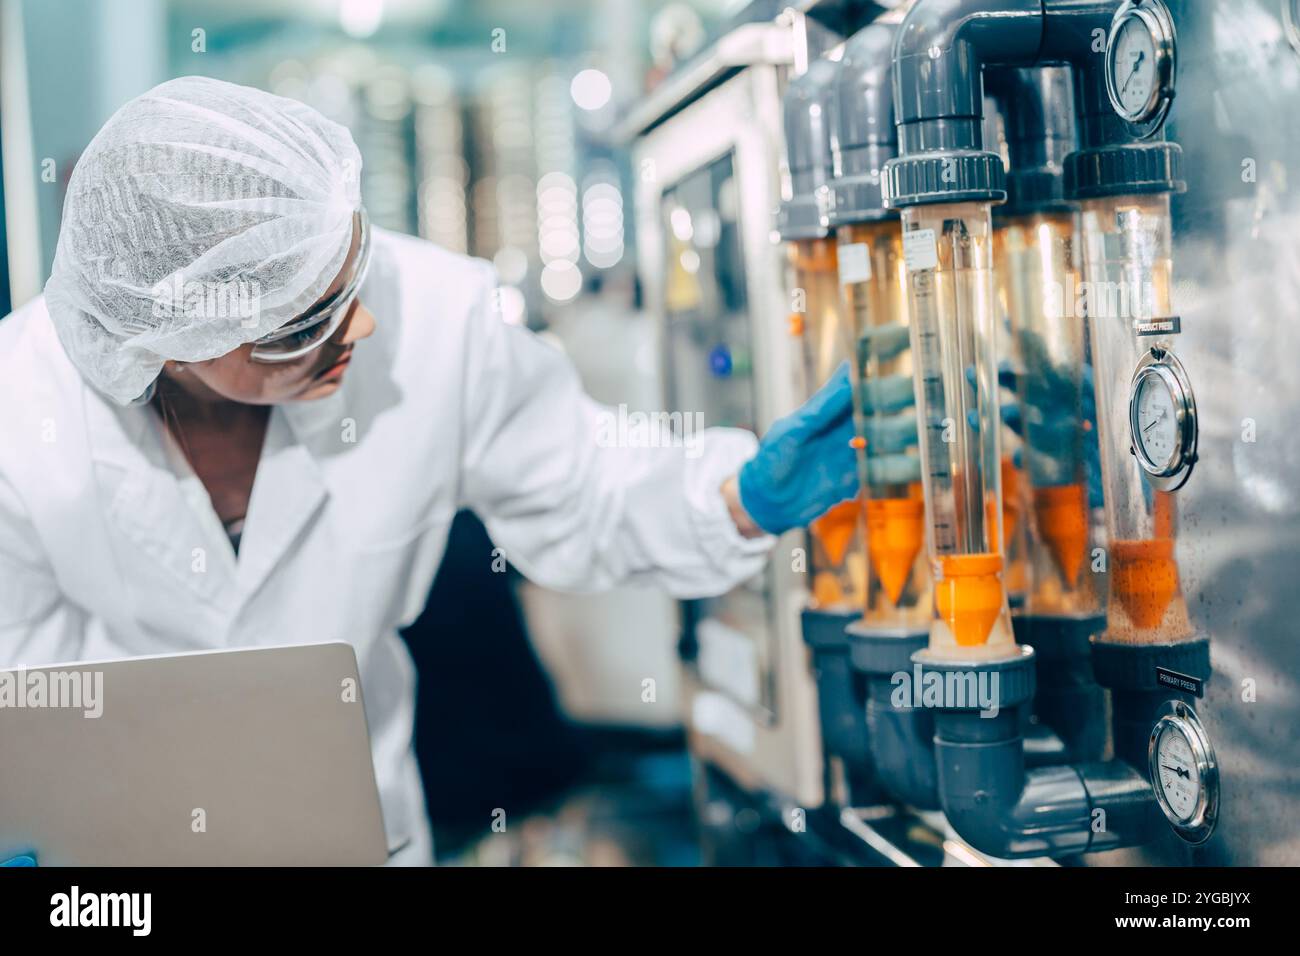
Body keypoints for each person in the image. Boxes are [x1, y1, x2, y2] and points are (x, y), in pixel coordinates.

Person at [0, 76, 859, 864]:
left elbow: (585, 485)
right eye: (304, 324)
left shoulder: (441, 320)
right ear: (172, 343)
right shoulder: (23, 416)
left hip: (368, 834)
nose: (364, 326)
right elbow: (29, 703)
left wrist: (737, 499)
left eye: (353, 273)